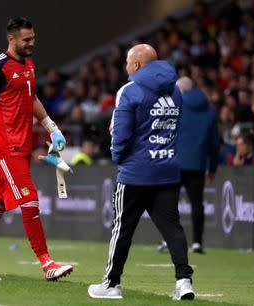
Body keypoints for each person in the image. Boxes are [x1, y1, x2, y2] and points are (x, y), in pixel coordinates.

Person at [0, 17, 72, 281]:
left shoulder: (28, 65)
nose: (32, 43)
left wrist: (52, 128)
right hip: (5, 147)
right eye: (26, 39)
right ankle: (47, 262)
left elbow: (32, 98)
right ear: (12, 39)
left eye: (33, 38)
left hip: (22, 146)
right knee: (29, 199)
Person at [88, 44, 194, 300]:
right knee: (172, 229)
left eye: (127, 62)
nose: (126, 67)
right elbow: (173, 127)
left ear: (136, 65)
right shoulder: (176, 90)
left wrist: (118, 157)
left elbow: (121, 133)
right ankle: (184, 281)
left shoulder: (129, 90)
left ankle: (112, 284)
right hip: (167, 168)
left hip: (136, 172)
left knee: (122, 228)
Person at [158, 77, 219, 254]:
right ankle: (198, 242)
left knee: (168, 203)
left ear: (182, 89)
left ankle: (166, 240)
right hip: (198, 164)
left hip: (174, 162)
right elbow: (214, 144)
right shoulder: (210, 112)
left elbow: (165, 134)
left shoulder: (176, 107)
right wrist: (212, 167)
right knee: (197, 204)